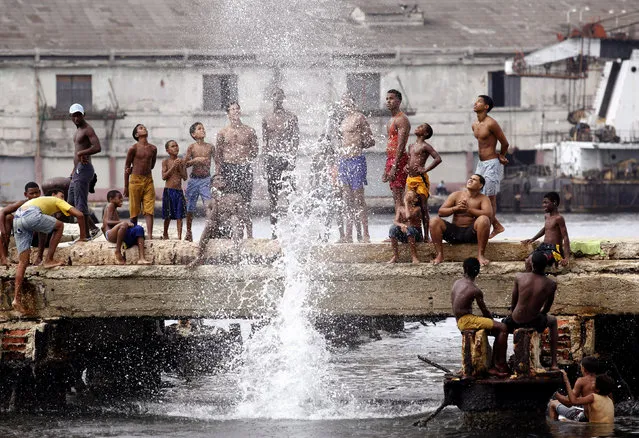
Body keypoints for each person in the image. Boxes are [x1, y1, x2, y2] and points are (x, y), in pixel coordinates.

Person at [12, 189, 87, 314]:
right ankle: (49, 260)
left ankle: (16, 299)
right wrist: (83, 237)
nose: (63, 199)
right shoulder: (57, 201)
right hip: (30, 215)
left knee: (23, 262)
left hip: (18, 218)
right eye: (62, 196)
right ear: (54, 195)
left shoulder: (41, 203)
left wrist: (39, 255)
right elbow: (80, 215)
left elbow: (43, 233)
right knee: (60, 226)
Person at [451, 257, 510, 376]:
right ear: (477, 271)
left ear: (465, 269)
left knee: (496, 329)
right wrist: (493, 322)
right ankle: (499, 365)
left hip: (459, 321)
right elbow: (485, 312)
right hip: (466, 321)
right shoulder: (475, 290)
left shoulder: (457, 283)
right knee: (503, 328)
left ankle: (490, 363)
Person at [502, 251, 559, 369]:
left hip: (516, 320)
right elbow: (546, 309)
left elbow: (513, 303)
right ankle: (554, 363)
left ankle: (500, 362)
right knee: (553, 322)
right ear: (546, 265)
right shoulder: (551, 284)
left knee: (503, 323)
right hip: (533, 320)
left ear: (532, 264)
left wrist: (512, 313)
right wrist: (539, 314)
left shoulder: (519, 277)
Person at [215, 102, 258, 238]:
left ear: (240, 111)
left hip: (244, 168)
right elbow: (218, 155)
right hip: (228, 167)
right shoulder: (222, 132)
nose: (235, 111)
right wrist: (218, 173)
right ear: (228, 114)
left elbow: (255, 150)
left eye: (237, 108)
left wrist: (244, 160)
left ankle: (249, 234)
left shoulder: (249, 130)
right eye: (232, 109)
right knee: (228, 201)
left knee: (245, 201)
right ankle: (227, 233)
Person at [429, 174, 492, 265]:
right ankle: (439, 255)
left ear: (480, 185)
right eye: (470, 178)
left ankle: (480, 255)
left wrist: (469, 210)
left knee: (484, 219)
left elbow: (488, 214)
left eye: (474, 180)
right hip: (454, 233)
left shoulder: (483, 198)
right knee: (434, 220)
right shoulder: (456, 195)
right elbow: (441, 212)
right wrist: (456, 208)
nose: (470, 180)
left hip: (471, 234)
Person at [262, 87, 299, 239]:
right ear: (271, 98)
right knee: (273, 197)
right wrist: (265, 163)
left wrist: (292, 159)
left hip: (286, 157)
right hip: (272, 159)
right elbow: (265, 142)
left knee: (291, 194)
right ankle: (274, 231)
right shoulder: (266, 118)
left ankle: (295, 228)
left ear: (283, 98)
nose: (277, 98)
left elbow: (296, 139)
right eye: (274, 95)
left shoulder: (291, 117)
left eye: (279, 95)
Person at [337, 93, 375, 243]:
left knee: (359, 198)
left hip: (356, 160)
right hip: (343, 161)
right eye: (342, 101)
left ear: (353, 102)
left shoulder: (359, 117)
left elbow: (371, 140)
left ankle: (366, 234)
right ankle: (348, 235)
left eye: (346, 100)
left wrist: (357, 145)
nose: (344, 103)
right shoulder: (343, 120)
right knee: (347, 199)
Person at [472, 95, 509, 239]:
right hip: (481, 164)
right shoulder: (474, 124)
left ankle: (492, 226)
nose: (475, 103)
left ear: (486, 107)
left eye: (479, 102)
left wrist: (502, 155)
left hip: (492, 163)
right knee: (475, 193)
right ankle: (496, 225)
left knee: (490, 198)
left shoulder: (491, 123)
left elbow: (505, 143)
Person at [189, 174, 247, 266]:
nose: (221, 180)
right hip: (217, 231)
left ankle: (236, 252)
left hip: (233, 230)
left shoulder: (236, 197)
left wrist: (233, 213)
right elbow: (210, 219)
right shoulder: (209, 202)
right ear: (212, 185)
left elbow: (243, 217)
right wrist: (216, 202)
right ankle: (199, 256)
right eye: (218, 179)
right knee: (210, 223)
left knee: (234, 218)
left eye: (223, 179)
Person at [68, 103, 101, 237]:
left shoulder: (88, 129)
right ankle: (93, 229)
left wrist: (82, 153)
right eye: (74, 115)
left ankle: (85, 235)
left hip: (85, 169)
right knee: (70, 203)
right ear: (70, 117)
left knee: (80, 204)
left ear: (83, 115)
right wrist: (73, 169)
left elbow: (97, 147)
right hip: (77, 170)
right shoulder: (77, 131)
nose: (76, 118)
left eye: (78, 115)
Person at [405, 123, 442, 241]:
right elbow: (409, 160)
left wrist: (425, 169)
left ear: (425, 133)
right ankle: (415, 233)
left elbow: (438, 159)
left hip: (420, 180)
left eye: (421, 127)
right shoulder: (411, 146)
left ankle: (427, 236)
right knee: (409, 204)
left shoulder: (426, 146)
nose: (417, 127)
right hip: (410, 179)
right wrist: (406, 166)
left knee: (423, 207)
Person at [521, 191, 571, 271]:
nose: (543, 205)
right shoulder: (546, 216)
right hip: (544, 246)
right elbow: (545, 229)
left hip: (554, 250)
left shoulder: (559, 218)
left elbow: (565, 237)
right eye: (543, 203)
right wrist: (532, 239)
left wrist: (566, 257)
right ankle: (530, 280)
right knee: (528, 261)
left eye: (546, 203)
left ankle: (539, 280)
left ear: (554, 202)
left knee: (536, 261)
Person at [124, 124, 158, 239]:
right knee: (134, 210)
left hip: (148, 179)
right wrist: (125, 186)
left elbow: (152, 165)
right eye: (141, 128)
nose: (144, 128)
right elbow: (127, 167)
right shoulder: (133, 148)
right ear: (136, 134)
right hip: (135, 180)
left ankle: (150, 235)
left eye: (144, 127)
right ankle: (134, 235)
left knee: (149, 209)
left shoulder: (153, 148)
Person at [184, 122, 215, 242]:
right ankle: (188, 231)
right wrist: (195, 160)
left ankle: (211, 230)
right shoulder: (191, 147)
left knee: (209, 205)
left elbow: (217, 162)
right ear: (193, 134)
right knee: (190, 207)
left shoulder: (210, 147)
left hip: (206, 180)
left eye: (203, 128)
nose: (203, 130)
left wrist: (217, 177)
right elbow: (184, 164)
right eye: (199, 129)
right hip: (194, 180)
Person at [0, 182, 43, 266]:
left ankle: (39, 257)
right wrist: (3, 230)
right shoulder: (22, 203)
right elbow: (2, 212)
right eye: (31, 193)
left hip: (36, 236)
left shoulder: (43, 203)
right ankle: (4, 257)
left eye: (36, 193)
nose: (34, 196)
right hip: (22, 233)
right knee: (8, 217)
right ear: (25, 194)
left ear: (40, 192)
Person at [102, 190, 150, 265]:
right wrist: (125, 223)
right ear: (111, 199)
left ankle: (141, 258)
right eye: (119, 198)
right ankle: (117, 251)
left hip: (117, 232)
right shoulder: (110, 205)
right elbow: (108, 222)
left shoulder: (114, 209)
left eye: (122, 198)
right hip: (110, 234)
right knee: (124, 224)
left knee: (138, 228)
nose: (122, 199)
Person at [382, 89, 411, 215]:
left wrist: (394, 166)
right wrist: (386, 168)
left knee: (399, 194)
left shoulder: (402, 119)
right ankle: (399, 225)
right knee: (395, 195)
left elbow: (401, 144)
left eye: (391, 98)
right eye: (387, 98)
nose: (388, 101)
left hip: (399, 159)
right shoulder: (390, 121)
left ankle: (403, 227)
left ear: (399, 102)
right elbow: (390, 144)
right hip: (391, 158)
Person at [549, 370, 615, 424]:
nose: (592, 383)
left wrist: (566, 381)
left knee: (552, 403)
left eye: (594, 383)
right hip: (607, 431)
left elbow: (573, 401)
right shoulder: (609, 400)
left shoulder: (593, 397)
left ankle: (552, 430)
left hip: (594, 431)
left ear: (598, 389)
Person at [548, 356, 601, 422]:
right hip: (599, 417)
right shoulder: (602, 381)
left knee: (552, 404)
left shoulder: (582, 381)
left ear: (584, 368)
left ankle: (553, 430)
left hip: (585, 418)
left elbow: (569, 403)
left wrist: (554, 393)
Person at [161, 140, 188, 240]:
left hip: (179, 191)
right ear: (168, 150)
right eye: (173, 146)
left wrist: (180, 166)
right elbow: (164, 177)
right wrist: (173, 166)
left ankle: (179, 237)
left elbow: (185, 177)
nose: (176, 147)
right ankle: (165, 233)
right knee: (167, 215)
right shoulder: (166, 161)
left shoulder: (181, 161)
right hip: (169, 191)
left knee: (179, 215)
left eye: (176, 145)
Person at [388, 190, 423, 264]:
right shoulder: (400, 208)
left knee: (409, 229)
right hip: (405, 234)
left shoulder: (417, 209)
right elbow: (395, 221)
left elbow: (408, 216)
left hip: (415, 235)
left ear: (415, 199)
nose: (408, 195)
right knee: (392, 229)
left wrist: (406, 203)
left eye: (411, 194)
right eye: (407, 194)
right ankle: (396, 256)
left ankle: (414, 256)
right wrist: (402, 225)